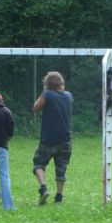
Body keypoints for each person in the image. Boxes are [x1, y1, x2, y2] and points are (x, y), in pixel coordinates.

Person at [32, 71, 73, 204]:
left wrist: (45, 92)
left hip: (48, 139)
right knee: (61, 169)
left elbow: (35, 108)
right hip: (65, 140)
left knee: (38, 163)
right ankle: (59, 197)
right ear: (60, 83)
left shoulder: (47, 94)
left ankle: (43, 188)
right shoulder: (68, 96)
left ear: (47, 84)